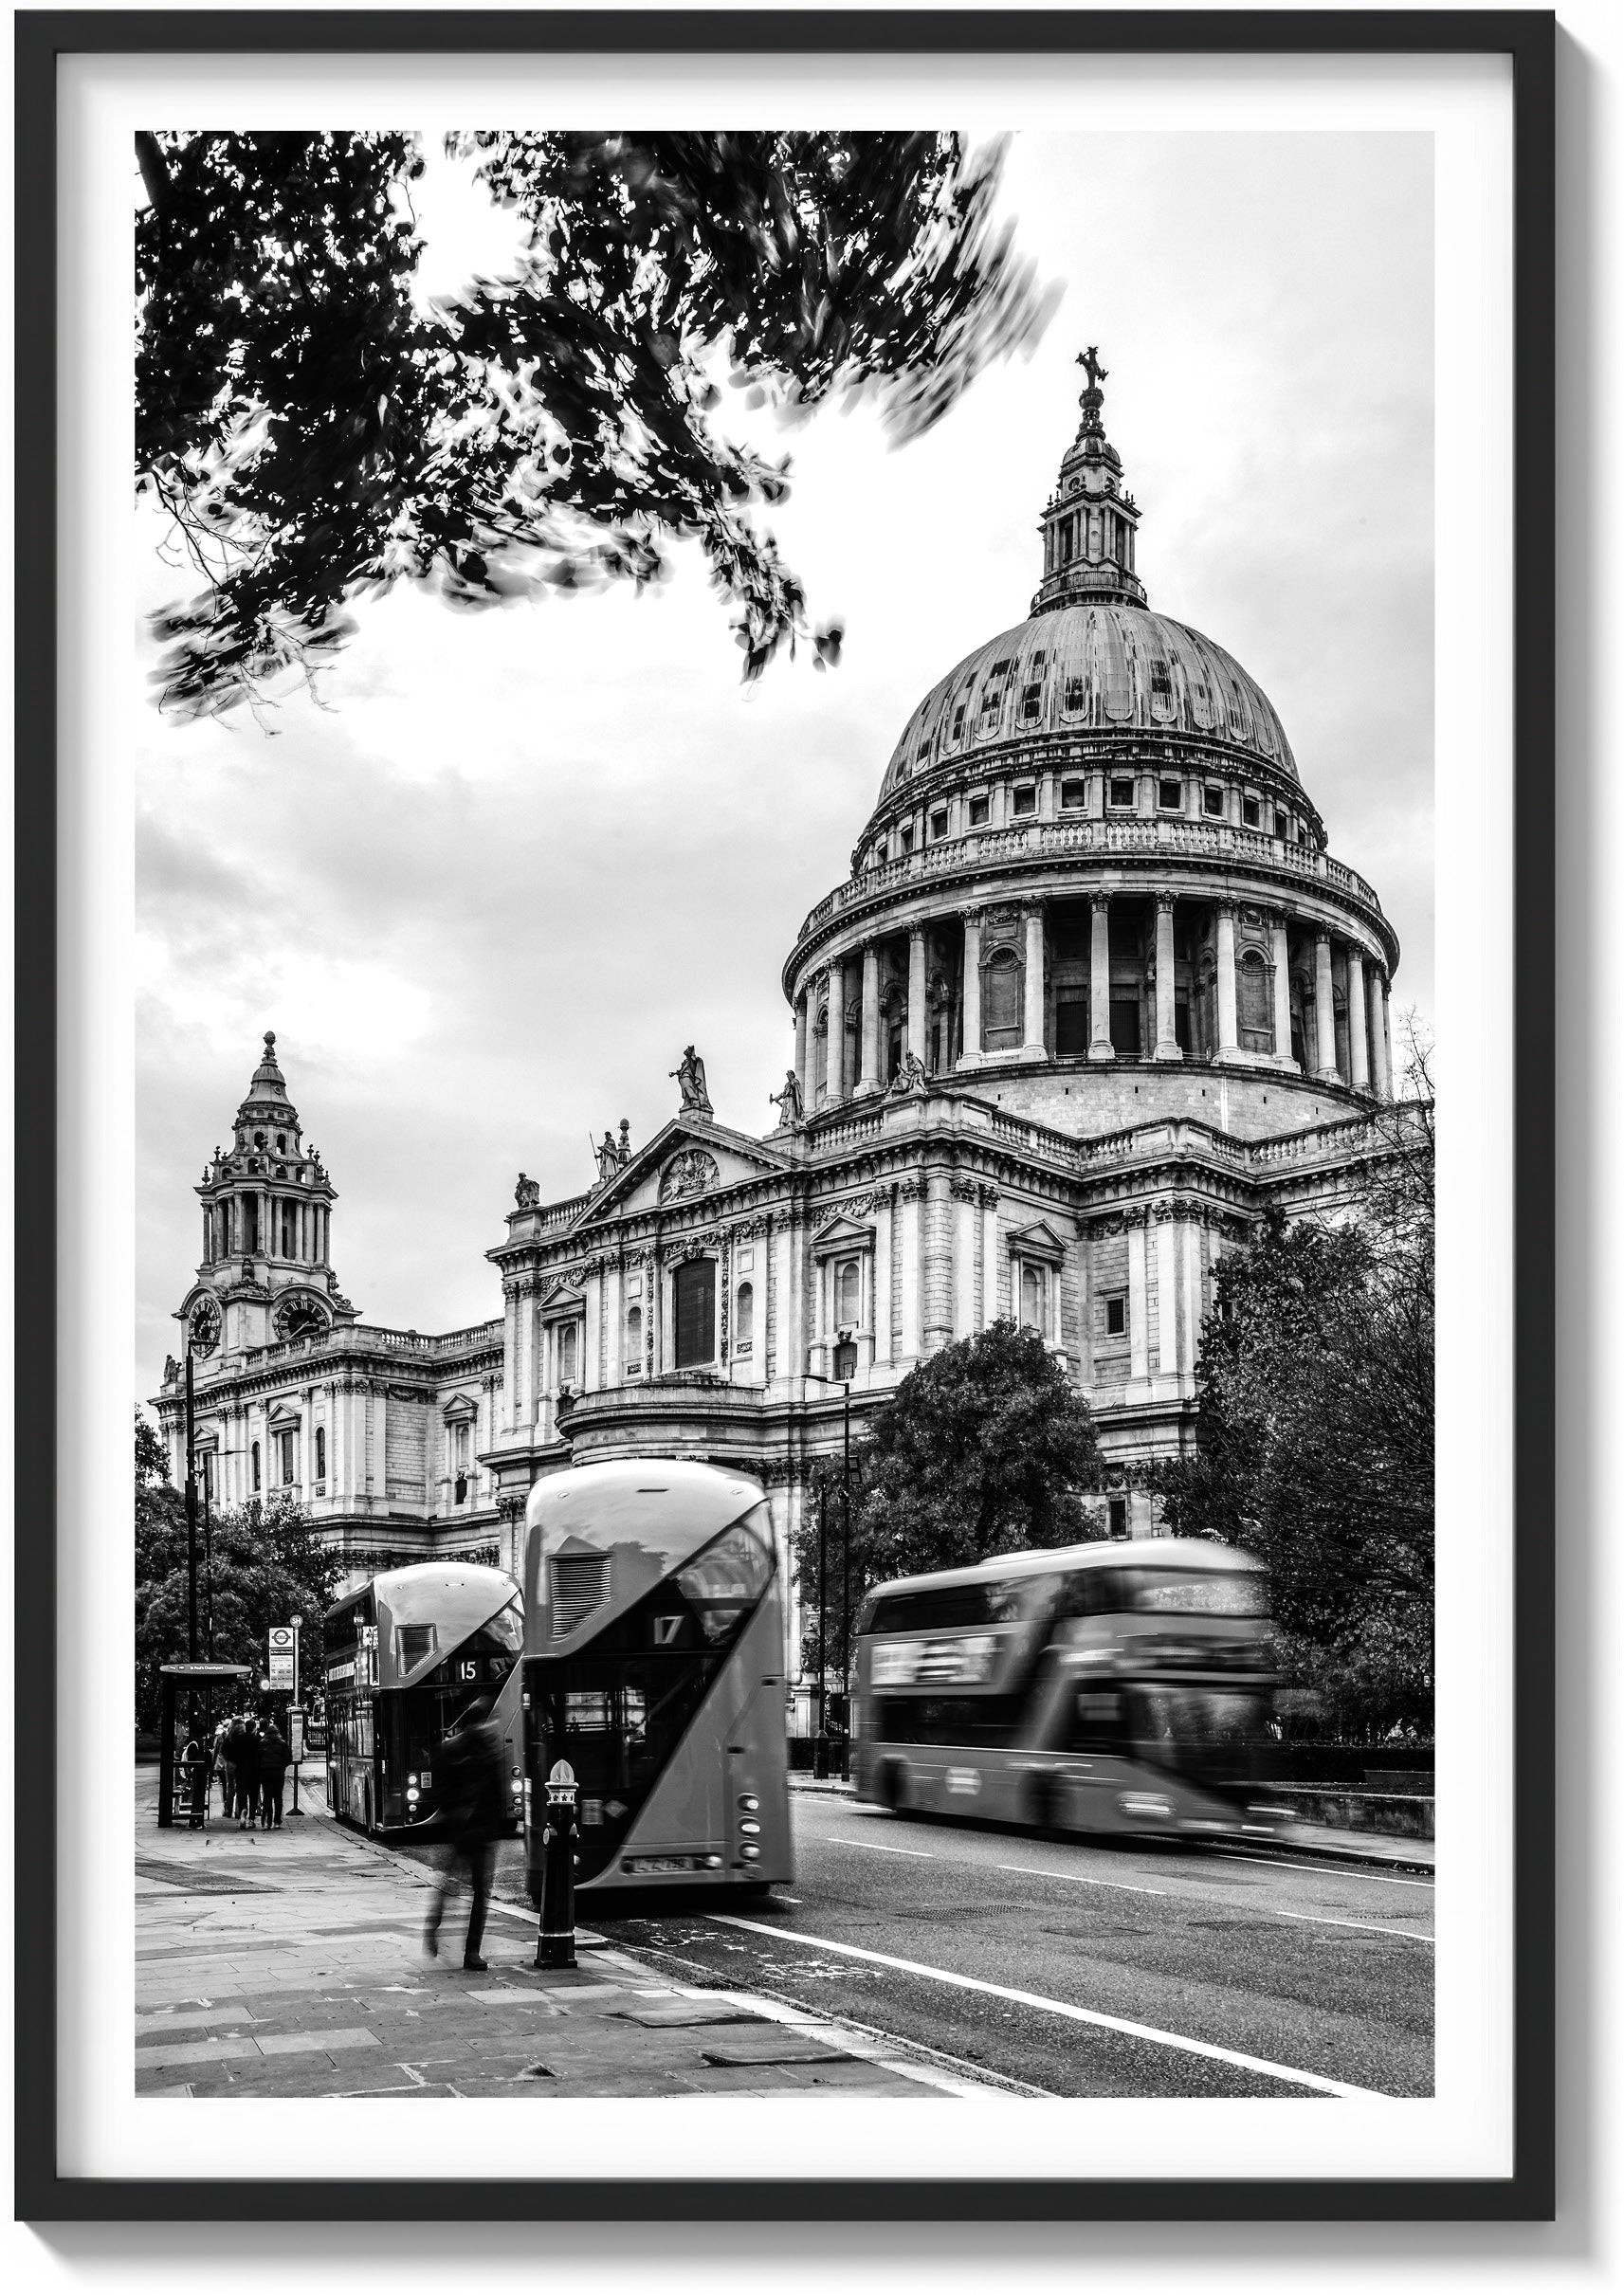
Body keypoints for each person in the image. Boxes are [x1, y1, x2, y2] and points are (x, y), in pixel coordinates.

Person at [423, 1695, 507, 1973]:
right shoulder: (454, 1750)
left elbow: (498, 1793)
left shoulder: (488, 1750)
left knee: (478, 1892)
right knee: (454, 1887)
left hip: (478, 1831)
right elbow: (442, 1789)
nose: (485, 1727)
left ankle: (472, 1952)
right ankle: (436, 1927)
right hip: (464, 1831)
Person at [259, 1718, 289, 1828]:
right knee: (278, 1797)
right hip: (278, 1772)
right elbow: (288, 1758)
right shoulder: (282, 1744)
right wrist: (282, 1766)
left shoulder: (262, 1743)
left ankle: (268, 1821)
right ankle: (277, 1821)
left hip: (265, 1773)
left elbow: (258, 1758)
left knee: (267, 1796)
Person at [234, 1715, 262, 1831]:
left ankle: (242, 1811)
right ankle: (251, 1819)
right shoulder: (258, 1740)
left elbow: (230, 1752)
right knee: (253, 1795)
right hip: (254, 1772)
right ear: (254, 1728)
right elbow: (261, 1755)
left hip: (241, 1771)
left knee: (242, 1794)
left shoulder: (239, 1739)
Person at [214, 1712, 241, 1826]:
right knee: (240, 1787)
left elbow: (222, 1751)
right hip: (239, 1764)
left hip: (229, 1764)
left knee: (230, 1787)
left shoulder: (227, 1736)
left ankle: (228, 1810)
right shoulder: (241, 1735)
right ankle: (238, 1811)